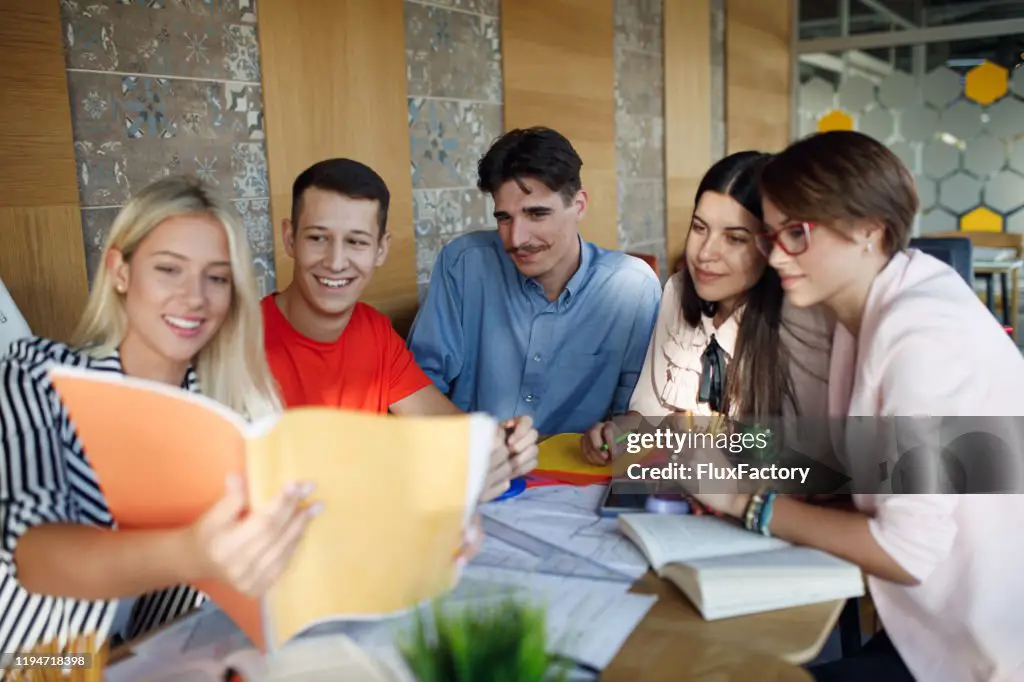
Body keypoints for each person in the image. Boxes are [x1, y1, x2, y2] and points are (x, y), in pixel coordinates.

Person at [0, 176, 483, 659]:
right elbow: (33, 553)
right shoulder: (37, 373)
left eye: (216, 277)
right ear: (120, 272)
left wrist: (423, 534)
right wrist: (191, 552)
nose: (195, 297)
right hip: (45, 662)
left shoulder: (239, 400)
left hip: (172, 655)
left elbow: (303, 533)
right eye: (169, 269)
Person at [684, 131, 1024, 682]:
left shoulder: (921, 336)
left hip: (986, 641)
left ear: (871, 230)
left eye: (796, 233)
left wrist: (742, 500)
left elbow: (909, 551)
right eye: (771, 235)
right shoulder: (867, 306)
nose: (775, 256)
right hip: (931, 618)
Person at [262, 158, 537, 500]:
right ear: (290, 238)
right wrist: (446, 485)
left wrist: (500, 443)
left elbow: (449, 430)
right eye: (318, 238)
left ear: (381, 249)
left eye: (357, 242)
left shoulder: (373, 330)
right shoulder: (242, 343)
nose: (335, 261)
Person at [407, 127, 662, 437]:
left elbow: (636, 415)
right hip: (472, 471)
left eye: (537, 214)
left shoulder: (632, 289)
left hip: (579, 478)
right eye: (504, 218)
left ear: (579, 205)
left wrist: (614, 438)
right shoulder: (463, 264)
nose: (516, 239)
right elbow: (417, 384)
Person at [581, 151, 833, 465]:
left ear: (771, 246)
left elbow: (806, 461)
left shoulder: (804, 319)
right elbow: (647, 416)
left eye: (735, 238)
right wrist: (615, 433)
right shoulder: (677, 290)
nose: (705, 253)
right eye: (700, 228)